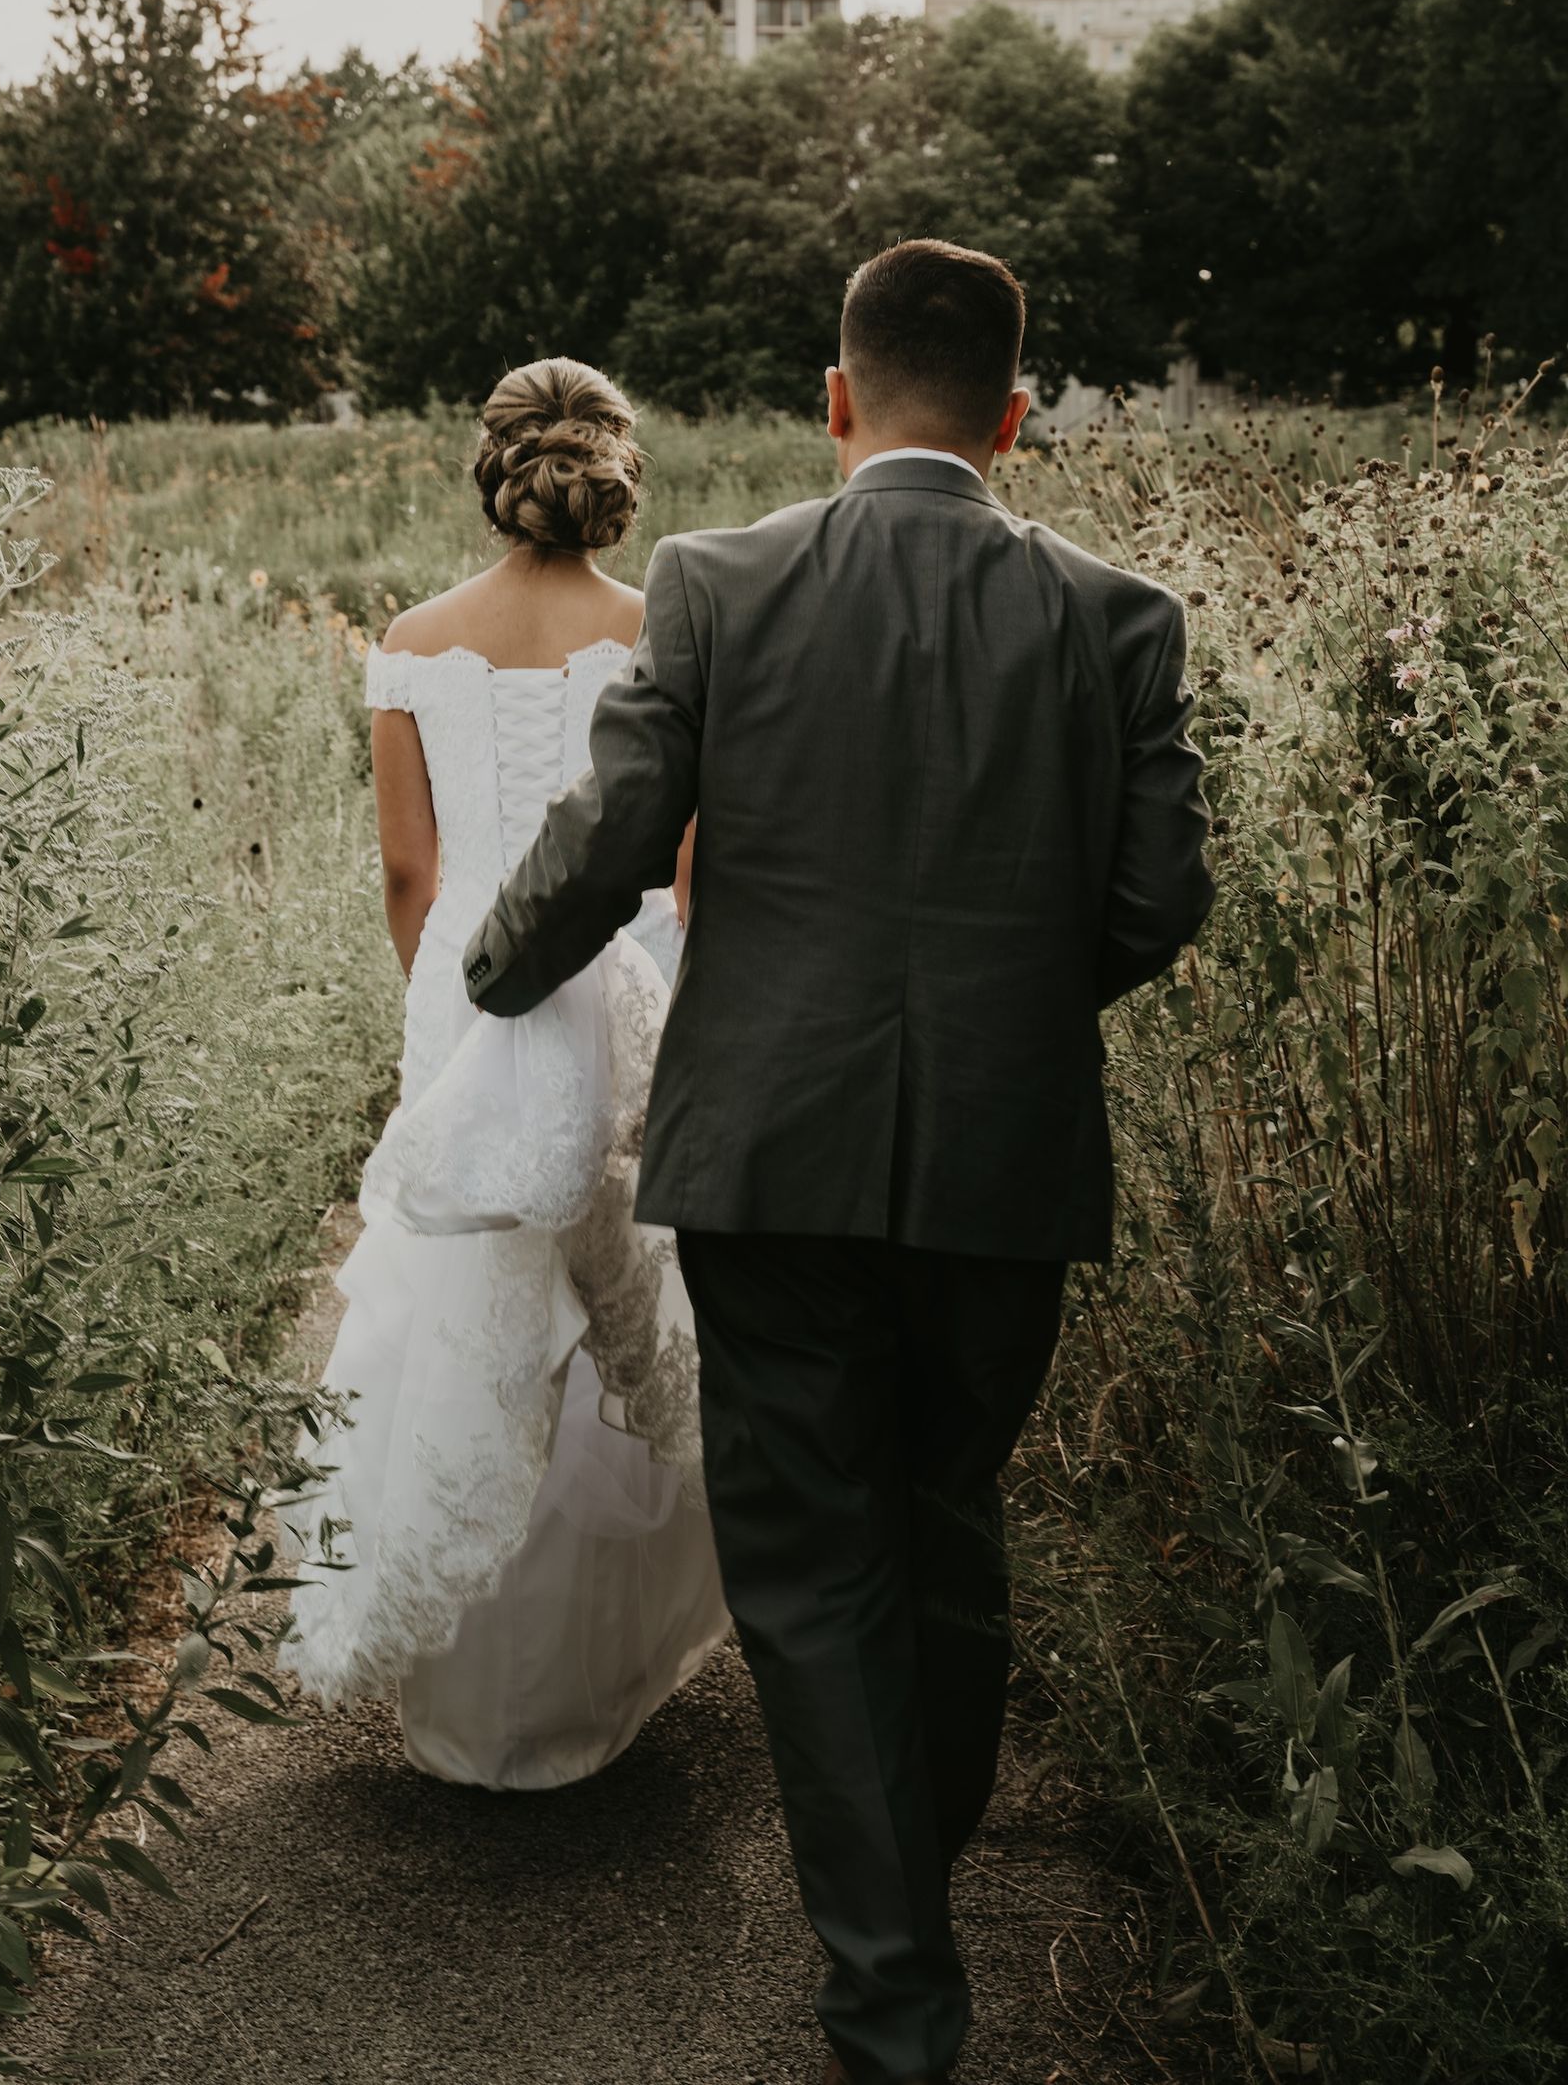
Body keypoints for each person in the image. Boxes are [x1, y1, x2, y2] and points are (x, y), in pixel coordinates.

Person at [464, 240, 1214, 2084]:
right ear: (1015, 419)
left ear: (833, 398)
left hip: (772, 1153)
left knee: (809, 1569)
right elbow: (1155, 904)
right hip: (1000, 1160)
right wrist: (1011, 1015)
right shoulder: (1124, 621)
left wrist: (494, 976)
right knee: (942, 1521)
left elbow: (614, 836)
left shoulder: (718, 586)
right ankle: (908, 1884)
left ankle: (893, 1997)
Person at [278, 357, 728, 1790]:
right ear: (616, 471)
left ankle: (470, 1706)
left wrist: (455, 1009)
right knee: (625, 1288)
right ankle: (599, 1677)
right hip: (634, 979)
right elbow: (686, 867)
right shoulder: (665, 629)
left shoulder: (412, 641)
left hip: (468, 986)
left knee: (470, 1300)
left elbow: (411, 872)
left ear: (494, 468)